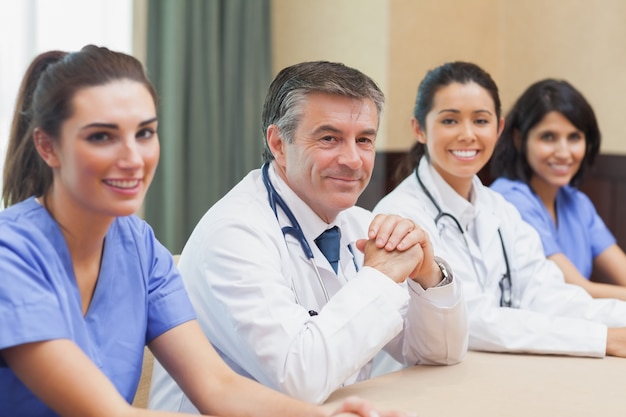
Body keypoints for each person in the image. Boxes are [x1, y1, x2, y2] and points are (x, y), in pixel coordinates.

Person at [0, 45, 413, 417]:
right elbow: (108, 414)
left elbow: (218, 387)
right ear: (47, 147)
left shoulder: (139, 247)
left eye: (144, 133)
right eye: (102, 136)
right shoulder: (10, 254)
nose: (132, 158)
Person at [149, 60, 468, 411]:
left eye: (364, 140)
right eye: (329, 138)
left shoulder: (360, 225)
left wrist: (429, 275)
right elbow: (299, 380)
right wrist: (379, 278)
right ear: (279, 144)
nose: (352, 159)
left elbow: (441, 354)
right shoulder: (234, 235)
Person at [373, 61, 626, 359]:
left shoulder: (501, 210)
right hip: (417, 382)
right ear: (419, 129)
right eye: (450, 121)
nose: (467, 134)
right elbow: (472, 319)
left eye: (480, 121)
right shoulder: (401, 216)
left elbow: (547, 294)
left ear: (499, 128)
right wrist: (600, 338)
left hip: (491, 370)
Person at [490, 78, 626, 301]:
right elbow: (576, 290)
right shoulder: (508, 199)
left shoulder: (578, 203)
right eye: (548, 137)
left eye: (574, 137)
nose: (564, 152)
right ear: (519, 139)